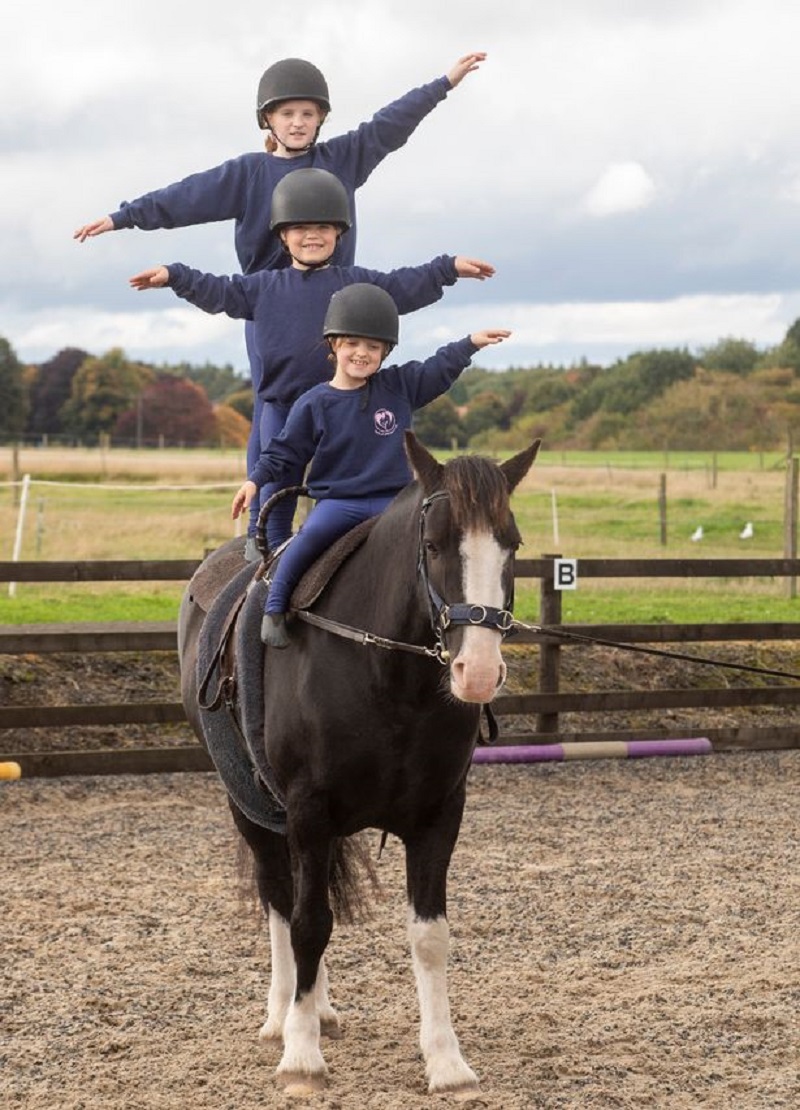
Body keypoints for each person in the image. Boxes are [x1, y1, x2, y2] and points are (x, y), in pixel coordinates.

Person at [129, 169, 496, 556]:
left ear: (339, 233)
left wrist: (447, 268)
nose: (312, 236)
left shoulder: (357, 284)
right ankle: (264, 578)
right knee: (274, 501)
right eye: (300, 227)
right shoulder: (262, 287)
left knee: (362, 498)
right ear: (283, 236)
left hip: (345, 406)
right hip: (285, 408)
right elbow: (220, 290)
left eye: (323, 226)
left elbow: (403, 284)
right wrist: (175, 275)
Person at [229, 283, 511, 648]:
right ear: (334, 345)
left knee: (433, 545)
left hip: (393, 501)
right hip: (339, 503)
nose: (362, 354)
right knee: (307, 539)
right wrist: (254, 481)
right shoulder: (313, 403)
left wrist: (469, 344)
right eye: (352, 345)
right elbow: (284, 452)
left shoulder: (399, 386)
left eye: (373, 347)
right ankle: (276, 607)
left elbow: (437, 368)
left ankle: (449, 619)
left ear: (385, 351)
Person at [73, 53, 485, 271]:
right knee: (276, 413)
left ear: (321, 118)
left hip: (330, 302)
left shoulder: (341, 159)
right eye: (287, 114)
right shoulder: (248, 174)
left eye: (307, 114)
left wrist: (442, 84)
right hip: (268, 303)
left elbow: (388, 125)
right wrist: (122, 217)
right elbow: (183, 197)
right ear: (267, 119)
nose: (298, 123)